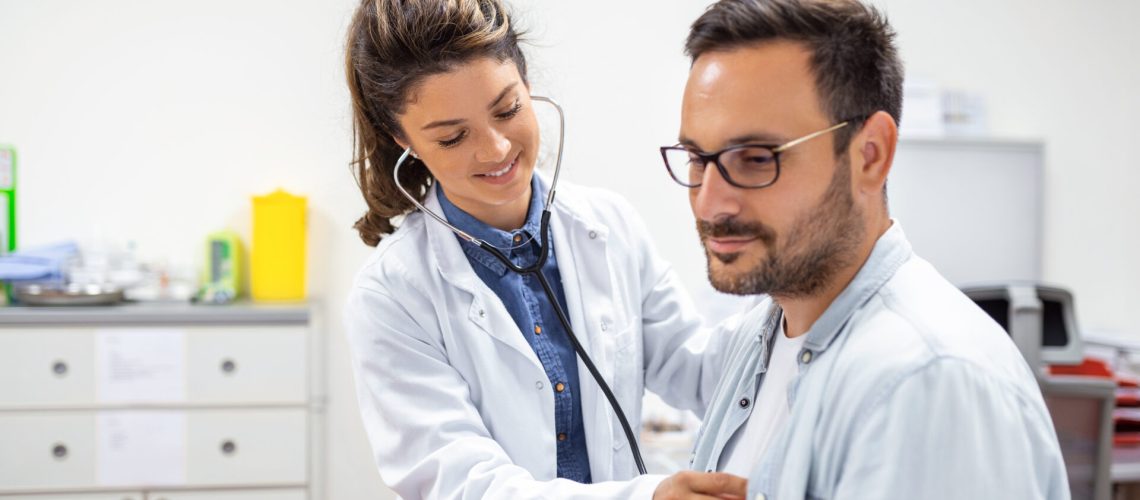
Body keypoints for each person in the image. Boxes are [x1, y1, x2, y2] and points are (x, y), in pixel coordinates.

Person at [660, 0, 1070, 498]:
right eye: (697, 158)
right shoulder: (765, 333)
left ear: (870, 156)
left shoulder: (924, 382)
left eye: (756, 158)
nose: (709, 203)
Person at [342, 0, 745, 498]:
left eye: (507, 110)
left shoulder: (609, 226)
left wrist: (795, 290)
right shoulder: (390, 296)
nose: (495, 149)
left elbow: (700, 371)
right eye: (452, 137)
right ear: (402, 138)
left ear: (527, 83)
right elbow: (465, 484)